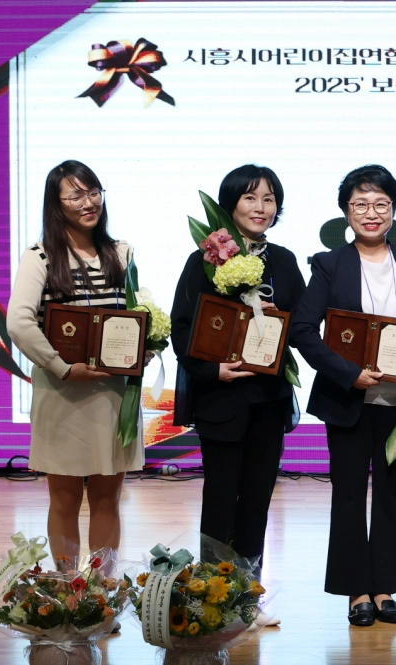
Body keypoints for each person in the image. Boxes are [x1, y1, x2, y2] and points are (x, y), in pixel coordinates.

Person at [289, 165, 396, 627]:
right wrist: (350, 374)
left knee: (392, 495)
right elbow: (304, 331)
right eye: (360, 205)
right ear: (345, 212)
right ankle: (357, 591)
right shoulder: (330, 263)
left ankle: (385, 587)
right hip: (349, 400)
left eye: (380, 204)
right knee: (349, 494)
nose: (371, 214)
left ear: (393, 210)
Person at [170, 165, 305, 597]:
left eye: (268, 199)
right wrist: (214, 370)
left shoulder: (283, 261)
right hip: (221, 399)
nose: (260, 207)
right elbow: (182, 327)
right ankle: (212, 596)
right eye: (250, 198)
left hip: (268, 399)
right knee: (220, 500)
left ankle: (248, 595)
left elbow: (300, 325)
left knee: (257, 503)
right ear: (230, 206)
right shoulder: (204, 260)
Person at [7, 160, 144, 564]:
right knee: (64, 500)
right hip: (63, 393)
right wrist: (62, 367)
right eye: (76, 195)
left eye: (94, 192)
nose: (88, 202)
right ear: (56, 203)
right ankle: (69, 593)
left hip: (111, 397)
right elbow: (18, 321)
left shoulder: (121, 253)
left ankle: (101, 596)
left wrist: (144, 345)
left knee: (108, 500)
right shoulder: (41, 256)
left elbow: (136, 313)